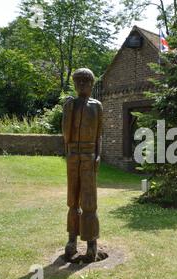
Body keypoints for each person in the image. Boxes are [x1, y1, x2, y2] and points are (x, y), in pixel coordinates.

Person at [62, 68, 107, 263]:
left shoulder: (96, 106)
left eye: (85, 82)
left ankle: (91, 242)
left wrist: (98, 155)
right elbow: (65, 133)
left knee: (89, 199)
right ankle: (72, 239)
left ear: (91, 84)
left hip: (89, 155)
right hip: (73, 155)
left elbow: (99, 134)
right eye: (78, 82)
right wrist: (68, 110)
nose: (82, 86)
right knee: (73, 198)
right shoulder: (70, 104)